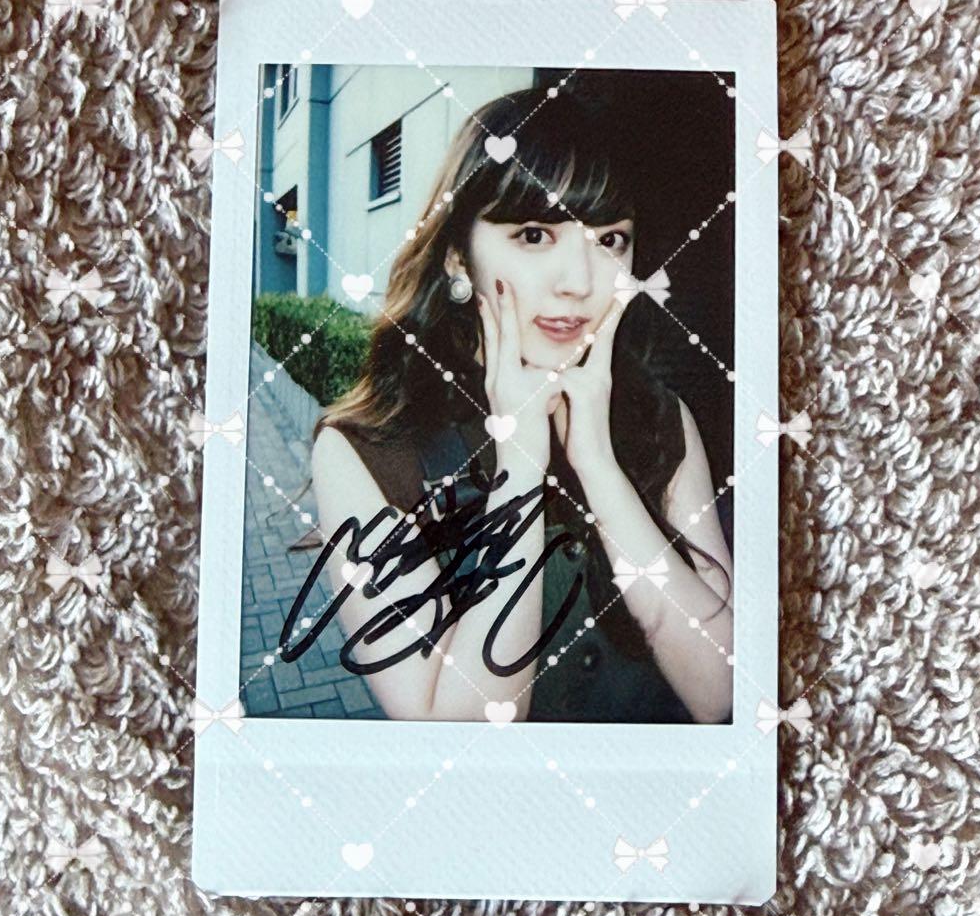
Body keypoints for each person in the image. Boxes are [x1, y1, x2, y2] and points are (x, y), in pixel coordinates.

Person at [296, 85, 734, 723]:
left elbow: (720, 692)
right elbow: (455, 733)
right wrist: (520, 473)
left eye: (611, 240)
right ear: (457, 256)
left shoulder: (661, 419)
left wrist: (600, 470)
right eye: (534, 235)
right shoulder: (368, 450)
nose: (580, 282)